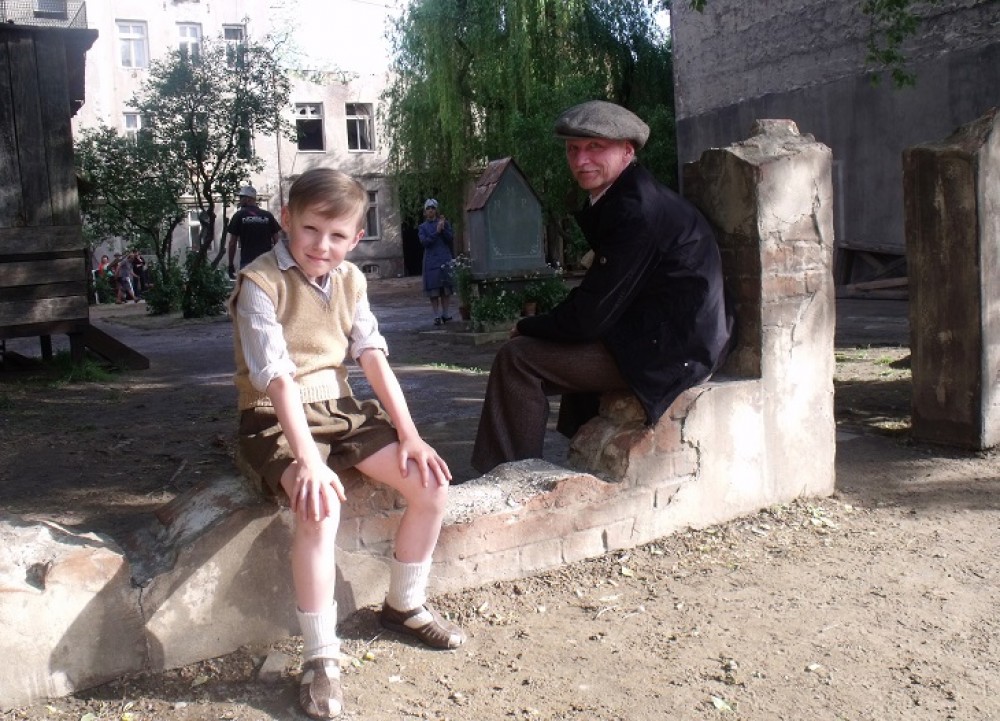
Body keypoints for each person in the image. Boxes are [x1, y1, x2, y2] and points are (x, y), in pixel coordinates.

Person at [229, 167, 465, 719]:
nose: (322, 245)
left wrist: (411, 435)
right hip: (273, 415)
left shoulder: (352, 280)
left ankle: (404, 605)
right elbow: (277, 379)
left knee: (430, 485)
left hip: (340, 410)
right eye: (311, 229)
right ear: (286, 220)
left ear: (356, 237)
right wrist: (308, 462)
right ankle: (321, 656)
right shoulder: (259, 283)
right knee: (319, 506)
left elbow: (372, 356)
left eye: (337, 235)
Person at [470, 100, 734, 474]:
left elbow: (588, 319)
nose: (581, 160)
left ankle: (508, 476)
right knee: (554, 344)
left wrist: (527, 326)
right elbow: (600, 297)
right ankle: (579, 459)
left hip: (675, 351)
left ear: (628, 151)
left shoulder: (635, 211)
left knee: (517, 359)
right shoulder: (628, 196)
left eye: (595, 147)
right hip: (667, 335)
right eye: (573, 149)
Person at [227, 184, 282, 278]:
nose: (240, 200)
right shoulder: (268, 215)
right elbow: (277, 241)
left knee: (248, 286)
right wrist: (279, 261)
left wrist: (230, 265)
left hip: (248, 262)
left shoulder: (239, 216)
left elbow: (232, 243)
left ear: (248, 199)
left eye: (241, 198)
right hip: (267, 262)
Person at [418, 198, 455, 326]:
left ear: (436, 210)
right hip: (431, 261)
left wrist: (443, 229)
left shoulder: (444, 223)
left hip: (444, 258)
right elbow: (425, 242)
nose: (430, 211)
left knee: (445, 289)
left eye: (433, 208)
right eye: (428, 208)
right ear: (425, 212)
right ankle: (436, 315)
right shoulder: (422, 227)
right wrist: (436, 232)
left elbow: (450, 238)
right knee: (433, 290)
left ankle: (445, 314)